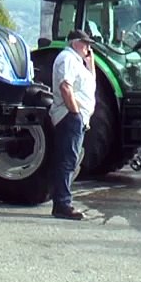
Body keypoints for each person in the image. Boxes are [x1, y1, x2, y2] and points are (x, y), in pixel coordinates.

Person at [47, 29, 97, 220]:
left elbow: (90, 86)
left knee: (70, 160)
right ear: (75, 43)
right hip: (69, 116)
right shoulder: (67, 58)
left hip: (76, 117)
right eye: (86, 44)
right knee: (67, 160)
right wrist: (75, 113)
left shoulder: (77, 61)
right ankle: (62, 204)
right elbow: (65, 86)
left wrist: (90, 63)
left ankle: (62, 201)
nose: (88, 48)